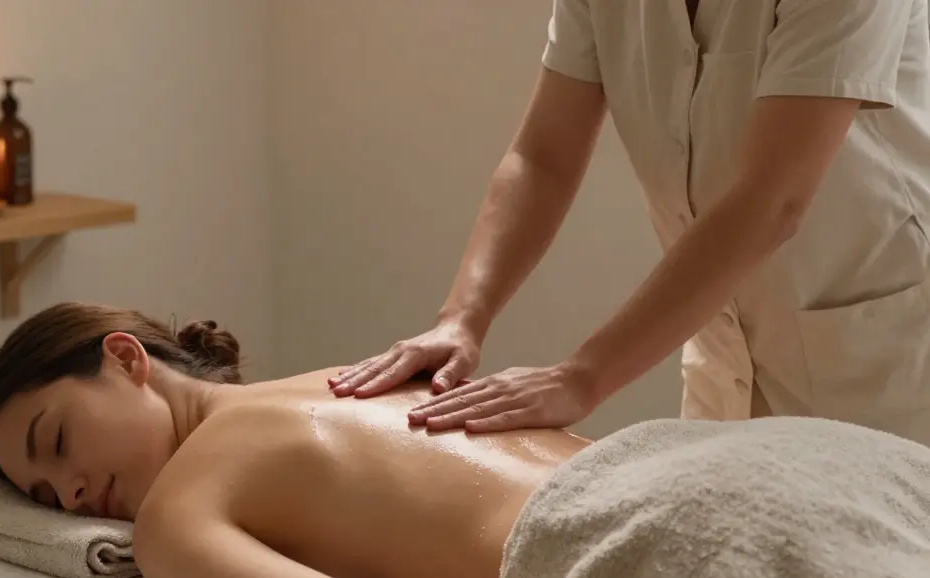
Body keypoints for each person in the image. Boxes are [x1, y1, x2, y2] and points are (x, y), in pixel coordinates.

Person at [0, 302, 930, 578]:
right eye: (46, 497)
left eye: (57, 443)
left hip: (648, 544)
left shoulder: (176, 517)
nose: (74, 495)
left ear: (127, 360)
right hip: (767, 456)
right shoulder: (358, 372)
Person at [328, 0, 930, 445]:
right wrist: (462, 319)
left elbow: (772, 202)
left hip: (885, 371)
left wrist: (582, 377)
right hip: (726, 363)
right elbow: (543, 157)